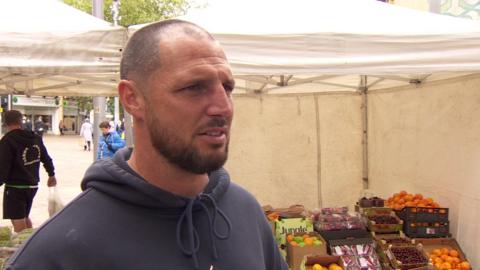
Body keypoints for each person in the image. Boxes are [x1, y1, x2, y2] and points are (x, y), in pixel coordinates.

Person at [5, 20, 287, 270]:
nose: (223, 107)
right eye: (194, 87)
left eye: (227, 87)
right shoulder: (58, 253)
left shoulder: (245, 211)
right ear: (132, 99)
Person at [0, 110, 57, 233]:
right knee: (24, 216)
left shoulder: (7, 140)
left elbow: (3, 166)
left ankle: (23, 248)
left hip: (15, 186)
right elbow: (46, 158)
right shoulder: (35, 137)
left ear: (5, 123)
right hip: (32, 186)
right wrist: (51, 174)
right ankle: (31, 243)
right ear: (21, 121)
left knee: (17, 220)